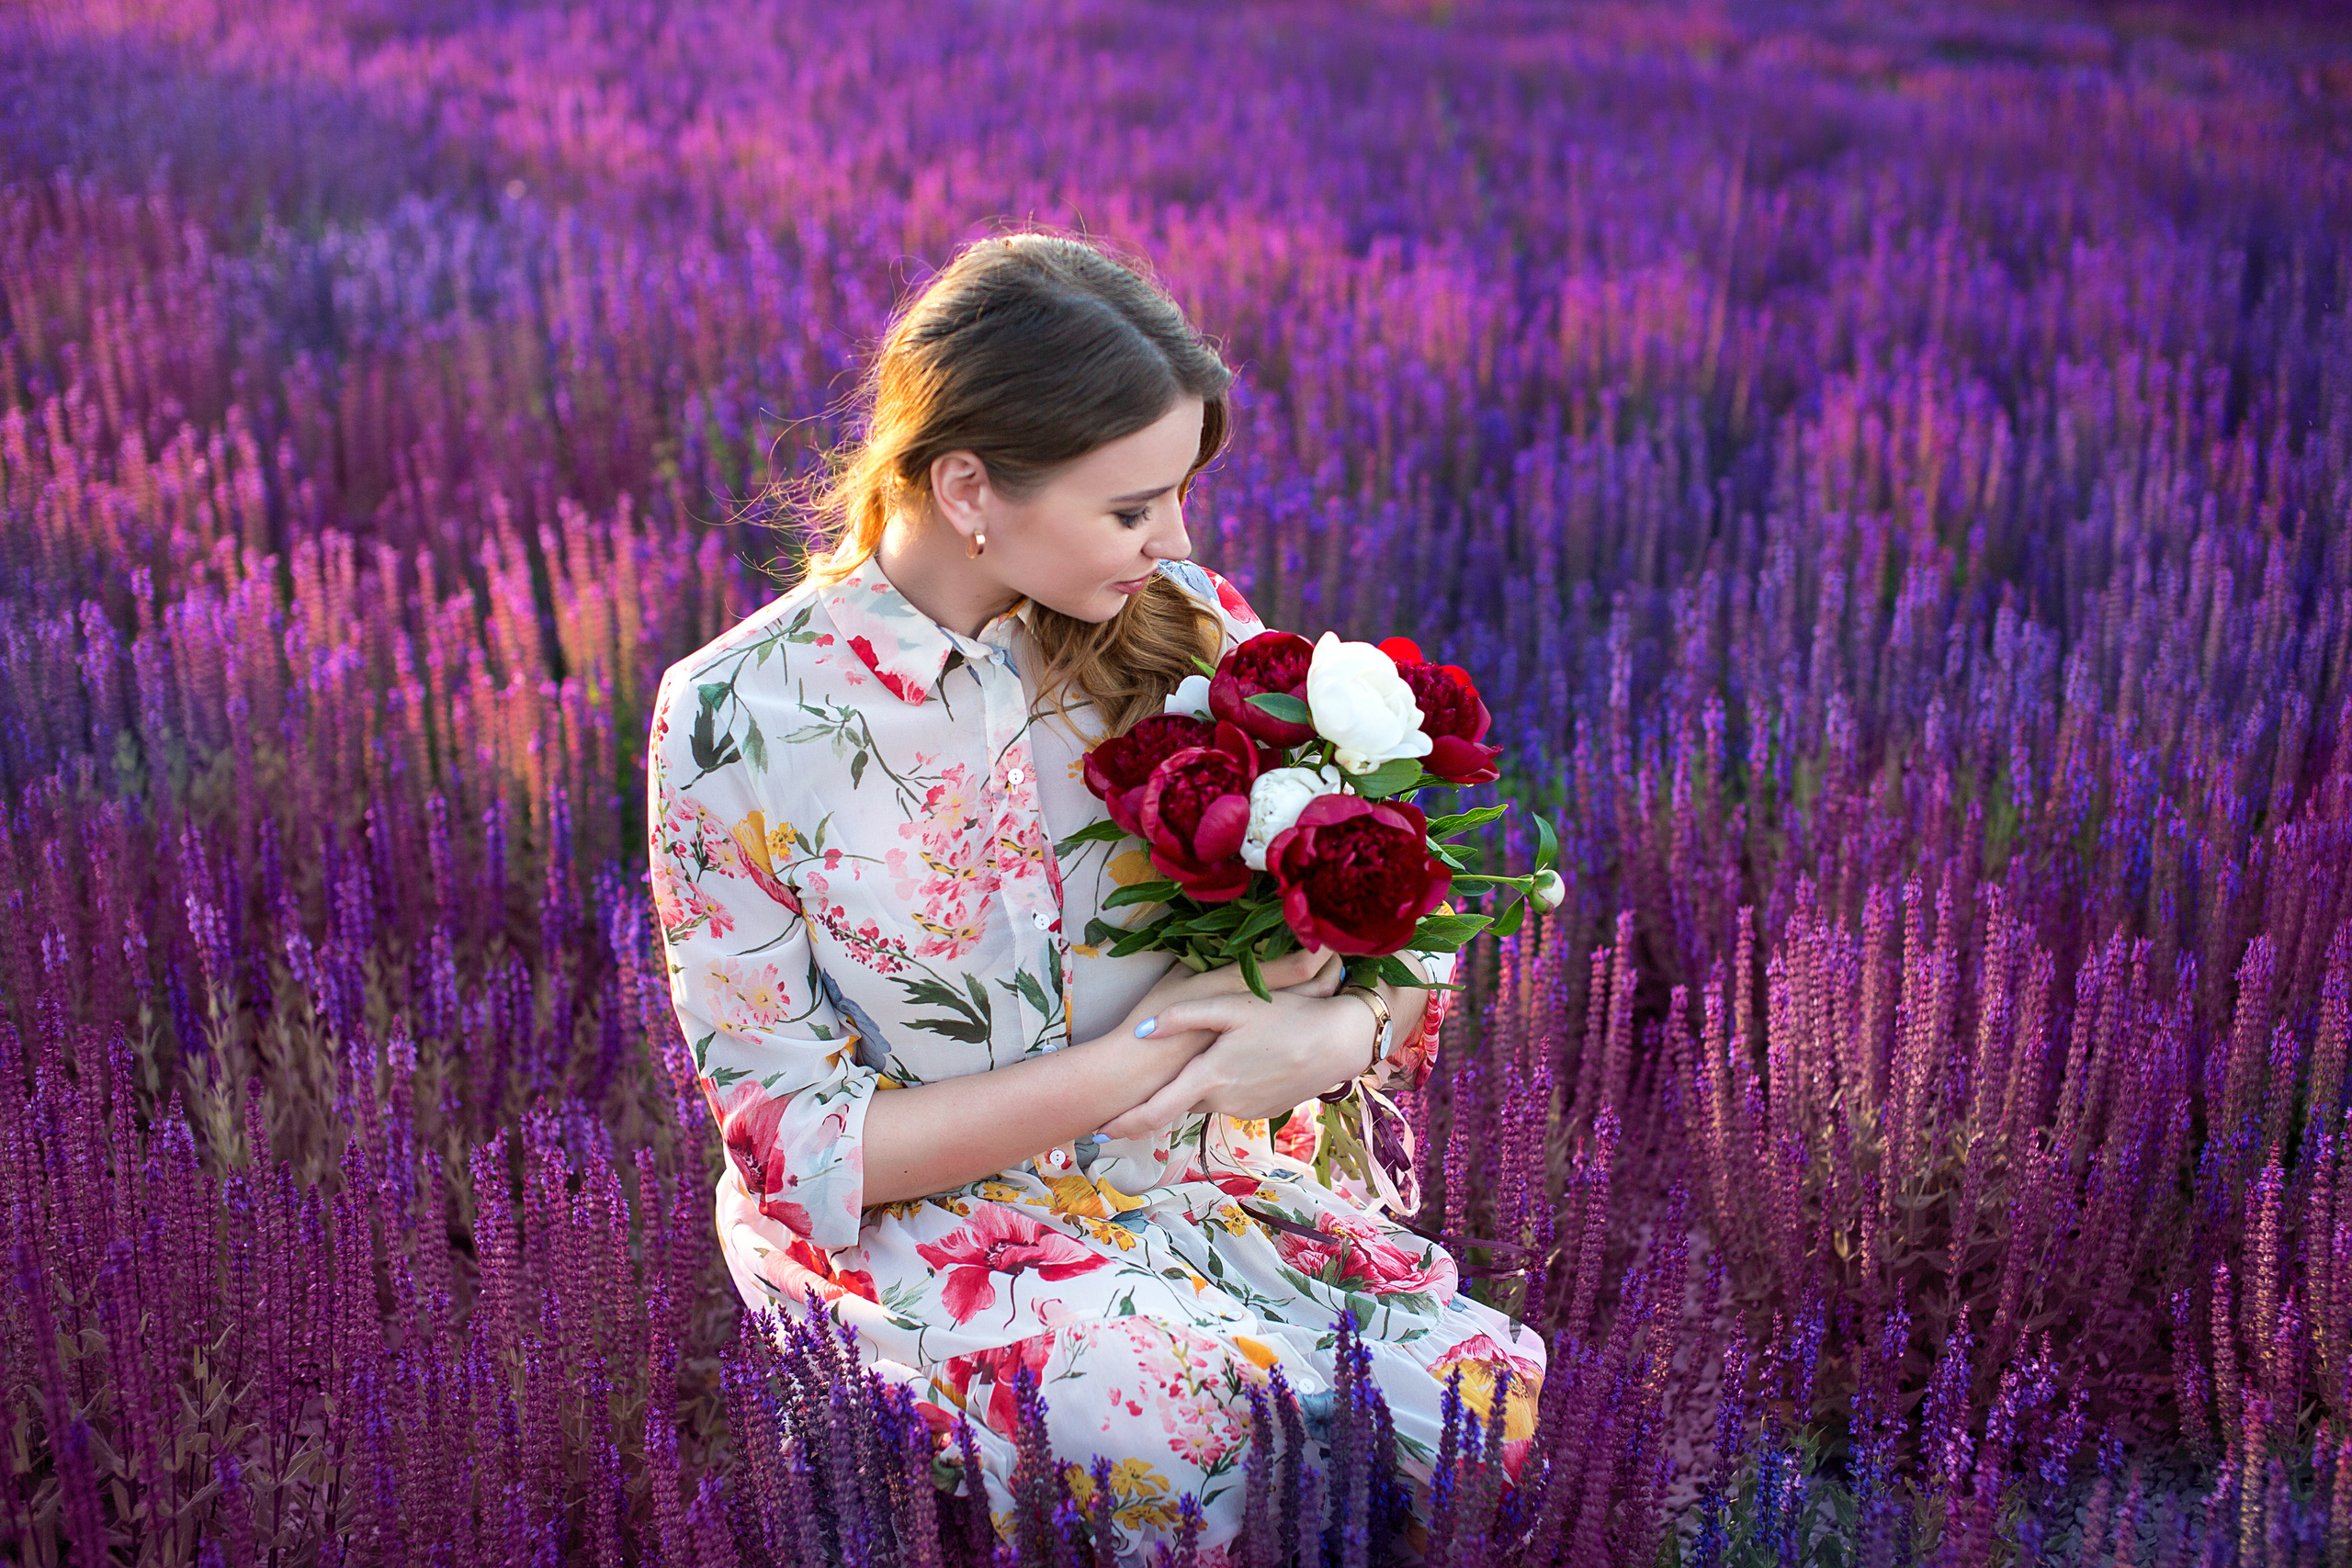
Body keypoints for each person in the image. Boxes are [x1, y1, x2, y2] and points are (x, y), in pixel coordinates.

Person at [645, 230, 1544, 1564]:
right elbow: (804, 1156)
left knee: (1488, 1398)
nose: (1174, 539)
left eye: (1179, 494)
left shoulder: (1184, 622)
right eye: (1132, 506)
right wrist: (1149, 1051)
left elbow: (1405, 900)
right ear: (968, 487)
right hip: (931, 1229)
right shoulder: (738, 716)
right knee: (1165, 1425)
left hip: (1188, 1182)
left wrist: (1338, 1036)